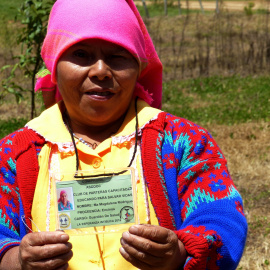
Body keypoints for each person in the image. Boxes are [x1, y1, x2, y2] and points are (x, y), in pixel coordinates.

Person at [0, 0, 247, 269]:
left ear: (139, 67)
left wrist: (179, 252)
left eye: (117, 56)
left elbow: (221, 218)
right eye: (81, 54)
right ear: (54, 67)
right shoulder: (14, 154)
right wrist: (17, 260)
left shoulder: (183, 142)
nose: (100, 71)